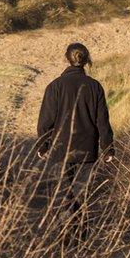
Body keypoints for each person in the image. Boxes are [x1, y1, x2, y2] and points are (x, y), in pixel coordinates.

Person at [35, 42, 114, 214]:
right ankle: (79, 237)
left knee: (64, 198)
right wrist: (107, 148)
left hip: (60, 151)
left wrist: (43, 145)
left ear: (67, 59)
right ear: (86, 60)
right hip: (87, 152)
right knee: (81, 198)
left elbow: (45, 122)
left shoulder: (55, 86)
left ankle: (65, 238)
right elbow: (102, 121)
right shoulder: (95, 87)